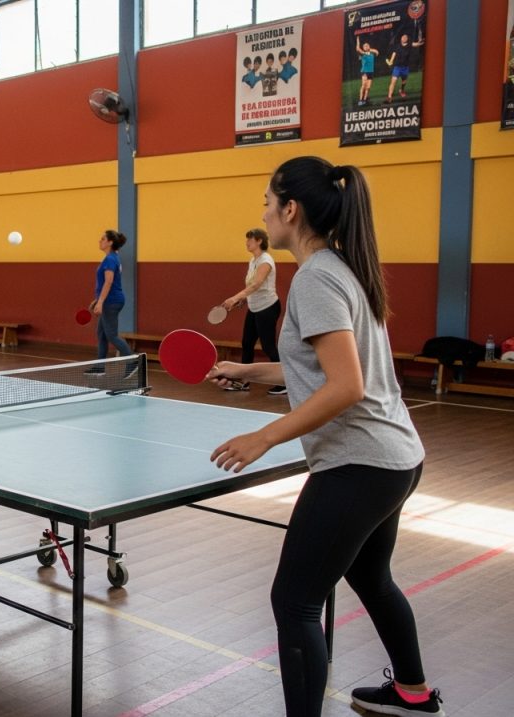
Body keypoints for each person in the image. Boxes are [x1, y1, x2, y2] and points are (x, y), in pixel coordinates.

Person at [208, 156, 440, 717]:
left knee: (295, 602)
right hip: (396, 458)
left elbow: (346, 387)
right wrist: (246, 371)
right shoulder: (344, 266)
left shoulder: (315, 278)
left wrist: (265, 437)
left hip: (360, 464)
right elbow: (322, 372)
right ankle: (412, 693)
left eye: (268, 201)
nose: (263, 211)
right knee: (370, 577)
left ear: (290, 210)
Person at [219, 228, 286, 395]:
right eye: (247, 239)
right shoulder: (253, 260)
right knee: (247, 343)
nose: (247, 242)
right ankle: (244, 381)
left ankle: (285, 382)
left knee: (268, 346)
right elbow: (251, 287)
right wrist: (243, 300)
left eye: (250, 240)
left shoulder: (266, 260)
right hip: (254, 307)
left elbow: (257, 284)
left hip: (268, 308)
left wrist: (234, 298)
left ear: (259, 241)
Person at [88, 229, 135, 376]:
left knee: (112, 335)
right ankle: (100, 367)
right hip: (109, 299)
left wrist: (101, 302)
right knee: (101, 334)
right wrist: (97, 300)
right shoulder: (113, 257)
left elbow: (109, 282)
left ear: (110, 242)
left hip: (111, 302)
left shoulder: (110, 259)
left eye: (102, 239)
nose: (99, 241)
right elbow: (107, 284)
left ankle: (132, 362)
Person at [385, 33, 424, 103]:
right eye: (403, 37)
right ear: (401, 39)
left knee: (404, 82)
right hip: (397, 67)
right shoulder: (397, 46)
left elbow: (417, 44)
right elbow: (394, 53)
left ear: (407, 39)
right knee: (393, 82)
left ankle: (402, 90)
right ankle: (389, 97)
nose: (404, 38)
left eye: (405, 37)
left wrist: (421, 41)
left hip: (405, 67)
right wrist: (391, 61)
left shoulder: (409, 45)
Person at [356, 35, 380, 106]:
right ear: (363, 48)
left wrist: (370, 49)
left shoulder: (372, 53)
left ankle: (365, 100)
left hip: (371, 72)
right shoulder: (363, 54)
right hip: (364, 72)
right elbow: (357, 48)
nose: (366, 46)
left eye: (367, 45)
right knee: (363, 85)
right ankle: (360, 100)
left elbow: (377, 52)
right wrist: (358, 40)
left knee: (368, 87)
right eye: (364, 46)